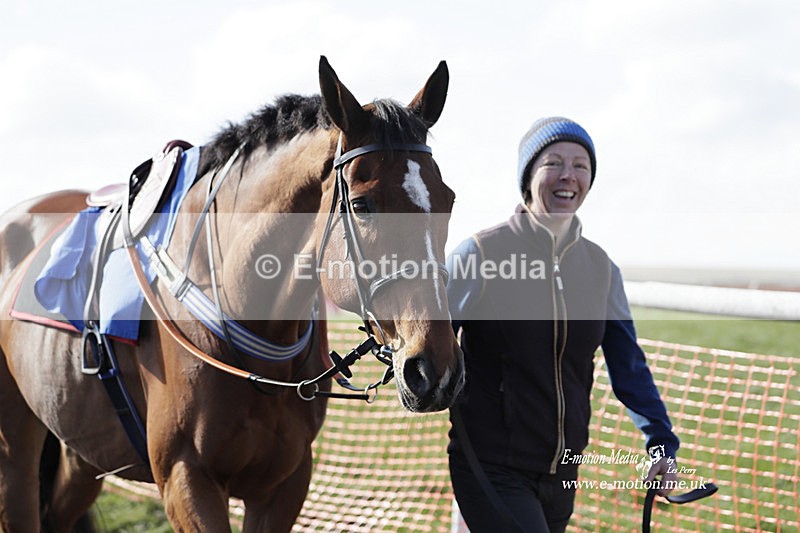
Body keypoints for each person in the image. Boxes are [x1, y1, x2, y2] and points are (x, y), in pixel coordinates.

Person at [446, 117, 680, 532]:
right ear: (528, 176)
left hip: (563, 471)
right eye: (553, 163)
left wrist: (660, 441)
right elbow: (429, 337)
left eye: (581, 165)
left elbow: (630, 369)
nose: (568, 175)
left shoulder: (602, 269)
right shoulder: (481, 253)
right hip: (491, 464)